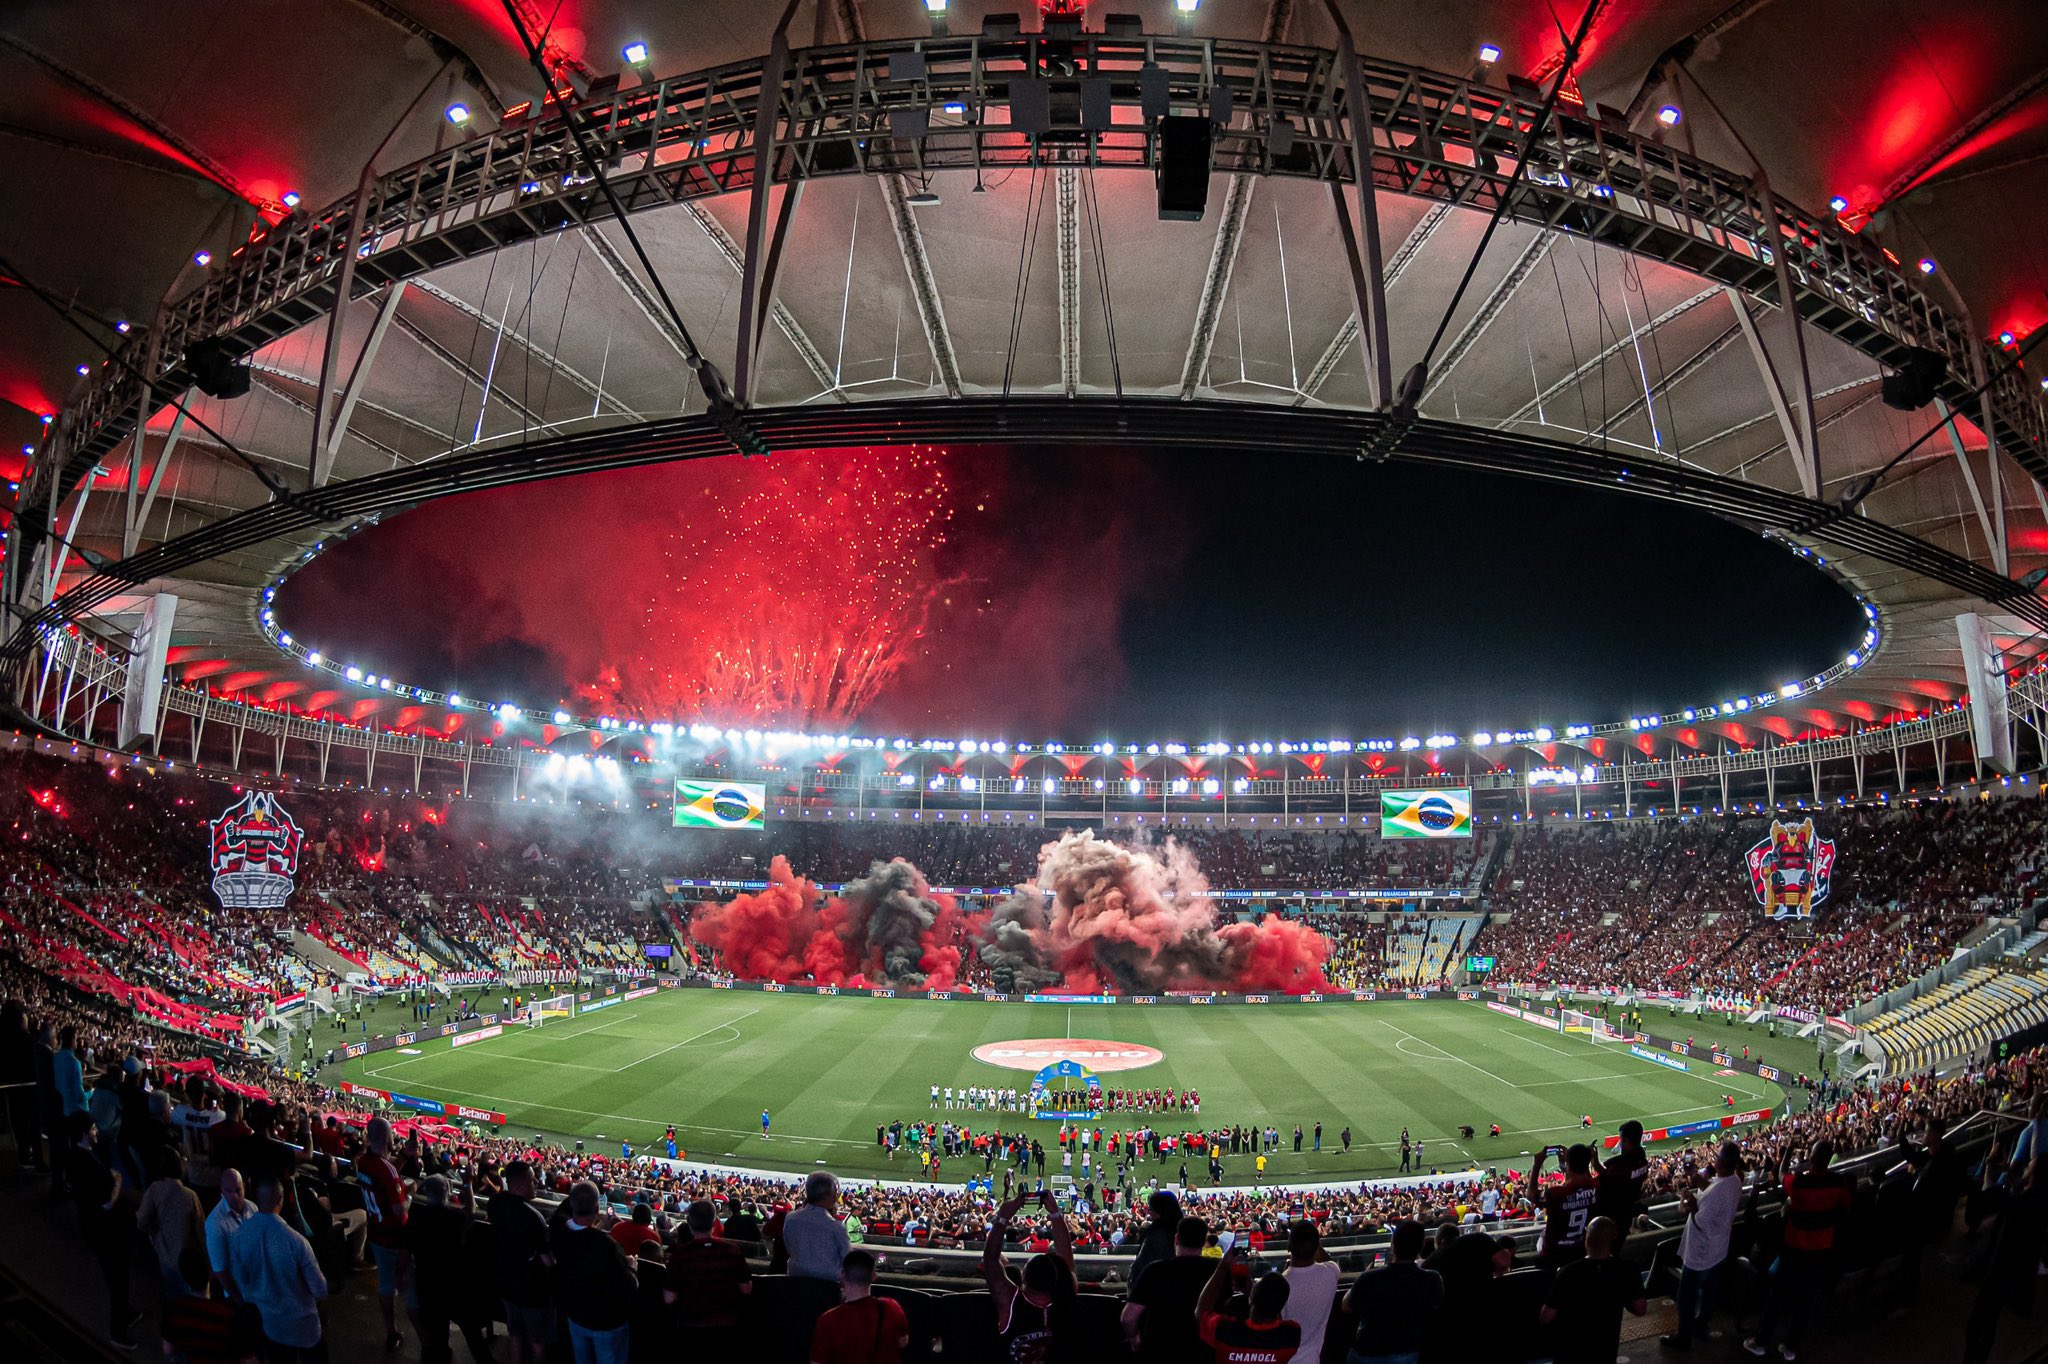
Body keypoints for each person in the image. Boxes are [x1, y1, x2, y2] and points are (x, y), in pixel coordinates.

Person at [1742, 1140, 1851, 1361]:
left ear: (1812, 1158)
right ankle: (1790, 1347)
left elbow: (1782, 1173)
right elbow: (1845, 1208)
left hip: (1794, 1249)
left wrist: (1789, 1150)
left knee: (1778, 1295)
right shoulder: (1839, 1183)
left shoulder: (1801, 1183)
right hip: (1821, 1251)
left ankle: (1761, 1342)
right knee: (1806, 1299)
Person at [228, 1177, 329, 1364]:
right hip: (303, 1326)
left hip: (269, 1325)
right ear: (281, 1199)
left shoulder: (239, 1237)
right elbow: (320, 1290)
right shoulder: (297, 1242)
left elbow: (241, 1281)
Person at [66, 1112, 138, 1349]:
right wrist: (117, 1181)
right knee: (118, 1277)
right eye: (93, 1128)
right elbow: (107, 1203)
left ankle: (125, 1311)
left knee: (115, 1272)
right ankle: (118, 1331)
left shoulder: (75, 1156)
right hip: (104, 1229)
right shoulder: (88, 1163)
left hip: (91, 1225)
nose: (96, 1131)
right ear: (84, 1133)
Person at [1662, 1142, 1742, 1351]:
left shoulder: (1719, 1190)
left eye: (1717, 1157)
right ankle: (1700, 1326)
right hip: (1718, 1249)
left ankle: (1684, 1338)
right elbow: (1711, 1189)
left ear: (1721, 1162)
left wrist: (1689, 1202)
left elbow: (1700, 1221)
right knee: (1709, 1291)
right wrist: (1695, 1176)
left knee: (1686, 1297)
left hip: (1701, 1253)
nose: (1714, 1160)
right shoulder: (1734, 1181)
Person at [409, 1174, 493, 1364]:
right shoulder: (454, 1217)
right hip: (454, 1286)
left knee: (438, 1336)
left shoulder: (417, 1216)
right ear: (447, 1192)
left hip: (428, 1285)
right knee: (473, 1335)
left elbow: (408, 1250)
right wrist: (468, 1183)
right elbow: (471, 1210)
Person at [551, 1180, 637, 1364]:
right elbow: (629, 1286)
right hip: (606, 1324)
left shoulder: (558, 1231)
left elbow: (581, 1236)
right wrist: (632, 1267)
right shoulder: (608, 1246)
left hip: (575, 1315)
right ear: (597, 1208)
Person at [983, 1191, 1075, 1363]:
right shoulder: (1067, 1297)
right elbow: (1066, 1257)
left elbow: (990, 1260)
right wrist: (1055, 1214)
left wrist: (1002, 1217)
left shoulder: (1011, 1302)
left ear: (1023, 1278)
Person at [1540, 1217, 1645, 1364]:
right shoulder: (1628, 1270)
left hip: (1570, 1352)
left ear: (1587, 1238)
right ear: (1614, 1237)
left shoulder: (1567, 1272)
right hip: (1605, 1350)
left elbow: (1546, 1316)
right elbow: (1640, 1309)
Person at [1342, 1218, 1442, 1364]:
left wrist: (1365, 1275)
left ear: (1392, 1245)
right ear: (1421, 1246)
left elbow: (1346, 1306)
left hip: (1366, 1352)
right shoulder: (1432, 1279)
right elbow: (1435, 1306)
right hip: (1407, 1352)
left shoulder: (1369, 1278)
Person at [356, 1116, 415, 1352]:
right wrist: (410, 1194)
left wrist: (404, 1157)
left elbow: (384, 1178)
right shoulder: (387, 1171)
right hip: (395, 1239)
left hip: (375, 1232)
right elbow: (400, 1209)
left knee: (386, 1283)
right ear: (389, 1138)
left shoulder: (363, 1162)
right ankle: (425, 1335)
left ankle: (392, 1331)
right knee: (408, 1286)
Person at [489, 1160, 555, 1364]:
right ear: (519, 1184)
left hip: (505, 1282)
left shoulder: (495, 1203)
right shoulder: (533, 1217)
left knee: (515, 1333)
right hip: (531, 1290)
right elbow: (548, 1261)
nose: (537, 1183)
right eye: (532, 1181)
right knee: (537, 1340)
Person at [666, 1199, 753, 1354]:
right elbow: (746, 1289)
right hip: (727, 1328)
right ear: (714, 1222)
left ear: (689, 1223)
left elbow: (669, 1298)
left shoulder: (680, 1255)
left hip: (690, 1327)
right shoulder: (732, 1251)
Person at [1121, 1215, 1212, 1361]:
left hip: (1160, 1349)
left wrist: (1133, 1337)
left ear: (1176, 1239)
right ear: (1204, 1241)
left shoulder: (1155, 1270)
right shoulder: (1218, 1270)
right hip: (1204, 1351)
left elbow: (1128, 1318)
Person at [1196, 1250, 1301, 1364]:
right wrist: (1253, 1294)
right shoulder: (1291, 1335)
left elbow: (1201, 1313)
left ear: (1252, 1296)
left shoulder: (1224, 1331)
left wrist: (1223, 1266)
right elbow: (1275, 1308)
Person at [810, 1249, 910, 1364]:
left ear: (842, 1274)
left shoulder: (827, 1321)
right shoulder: (891, 1307)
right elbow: (903, 1342)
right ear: (873, 1276)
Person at [135, 1146, 205, 1301]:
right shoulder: (190, 1196)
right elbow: (201, 1230)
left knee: (174, 1296)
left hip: (165, 1256)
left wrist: (154, 1233)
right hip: (189, 1258)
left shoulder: (154, 1190)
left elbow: (141, 1220)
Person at [1532, 1144, 1600, 1268]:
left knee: (1542, 1237)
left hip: (1554, 1256)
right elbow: (1581, 1182)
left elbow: (1531, 1196)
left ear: (1568, 1165)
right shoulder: (1597, 1187)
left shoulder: (1555, 1193)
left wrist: (1537, 1164)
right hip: (1580, 1252)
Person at [1283, 1220, 1341, 1363]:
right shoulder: (1332, 1272)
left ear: (1288, 1247)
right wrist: (1316, 1243)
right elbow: (1327, 1259)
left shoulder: (1280, 1284)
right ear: (1317, 1246)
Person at [784, 1171, 854, 1281]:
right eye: (835, 1192)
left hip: (794, 1281)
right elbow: (849, 1261)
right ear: (825, 1197)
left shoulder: (790, 1218)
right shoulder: (836, 1228)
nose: (837, 1196)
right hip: (827, 1286)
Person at [1591, 1120, 1649, 1238]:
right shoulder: (1642, 1161)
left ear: (1626, 1140)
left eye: (1621, 1139)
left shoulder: (1618, 1164)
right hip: (1628, 1211)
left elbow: (1604, 1179)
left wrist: (1593, 1162)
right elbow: (1613, 1176)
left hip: (1613, 1216)